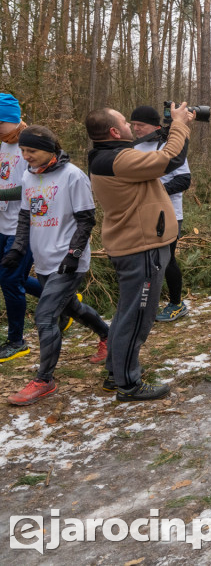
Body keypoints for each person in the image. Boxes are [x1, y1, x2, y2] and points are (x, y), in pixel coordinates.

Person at [85, 103, 193, 401]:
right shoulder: (119, 159)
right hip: (141, 246)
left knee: (127, 313)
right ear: (114, 130)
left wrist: (174, 126)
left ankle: (115, 373)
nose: (131, 126)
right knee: (138, 318)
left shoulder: (107, 155)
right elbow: (170, 159)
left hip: (135, 244)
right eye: (124, 121)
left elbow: (165, 155)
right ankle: (128, 384)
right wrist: (180, 124)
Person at [4, 126, 110, 405]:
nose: (26, 156)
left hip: (68, 261)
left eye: (32, 151)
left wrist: (73, 254)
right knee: (70, 307)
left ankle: (44, 379)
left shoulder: (73, 176)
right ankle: (107, 336)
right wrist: (17, 249)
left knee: (45, 316)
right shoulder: (29, 176)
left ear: (50, 150)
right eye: (24, 151)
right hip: (43, 260)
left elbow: (87, 219)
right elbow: (26, 216)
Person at [129, 105, 192, 323]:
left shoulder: (167, 145)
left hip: (169, 214)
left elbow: (184, 179)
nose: (136, 128)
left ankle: (176, 303)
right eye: (133, 124)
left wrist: (155, 193)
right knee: (145, 260)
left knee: (166, 260)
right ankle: (146, 303)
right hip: (141, 213)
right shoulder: (133, 148)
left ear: (155, 126)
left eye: (141, 125)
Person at [0, 94, 47, 363]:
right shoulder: (4, 144)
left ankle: (17, 341)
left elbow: (31, 187)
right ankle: (61, 298)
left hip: (24, 224)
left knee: (9, 280)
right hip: (2, 222)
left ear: (11, 119)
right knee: (6, 278)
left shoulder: (31, 145)